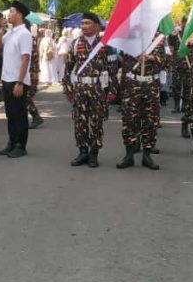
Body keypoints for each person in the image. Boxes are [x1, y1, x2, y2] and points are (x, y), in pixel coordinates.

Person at [62, 12, 107, 168]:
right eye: (83, 23)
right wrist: (67, 88)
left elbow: (113, 68)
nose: (84, 26)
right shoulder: (75, 43)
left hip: (98, 88)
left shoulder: (104, 44)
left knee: (96, 121)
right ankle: (82, 152)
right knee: (80, 121)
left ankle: (94, 153)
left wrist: (112, 90)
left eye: (88, 23)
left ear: (96, 26)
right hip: (80, 88)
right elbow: (68, 67)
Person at [116, 35, 166, 170]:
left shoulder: (159, 41)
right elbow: (122, 60)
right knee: (129, 120)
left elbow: (167, 62)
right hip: (132, 84)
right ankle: (129, 155)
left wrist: (151, 57)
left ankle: (147, 155)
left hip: (151, 85)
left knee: (151, 121)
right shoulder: (130, 39)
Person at [0, 1, 33, 158]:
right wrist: (2, 29)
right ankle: (11, 141)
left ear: (20, 15)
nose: (8, 14)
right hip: (6, 79)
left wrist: (20, 82)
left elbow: (25, 59)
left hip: (18, 80)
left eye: (11, 11)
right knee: (10, 114)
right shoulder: (10, 32)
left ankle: (21, 145)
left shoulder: (24, 34)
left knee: (19, 115)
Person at [26, 21, 44, 129]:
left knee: (26, 97)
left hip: (30, 73)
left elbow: (34, 58)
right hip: (27, 72)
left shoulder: (29, 39)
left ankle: (36, 116)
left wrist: (34, 72)